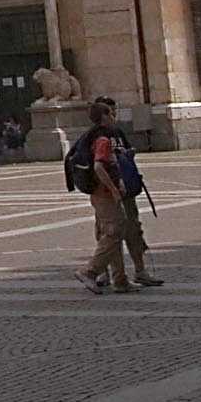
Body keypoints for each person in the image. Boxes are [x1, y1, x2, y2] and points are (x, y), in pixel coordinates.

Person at [80, 96, 163, 293]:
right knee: (112, 233)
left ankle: (132, 273)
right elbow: (99, 165)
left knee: (131, 230)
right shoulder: (98, 137)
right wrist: (115, 189)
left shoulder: (115, 133)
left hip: (122, 188)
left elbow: (122, 154)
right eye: (111, 111)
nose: (115, 115)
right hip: (109, 192)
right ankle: (105, 274)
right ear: (104, 115)